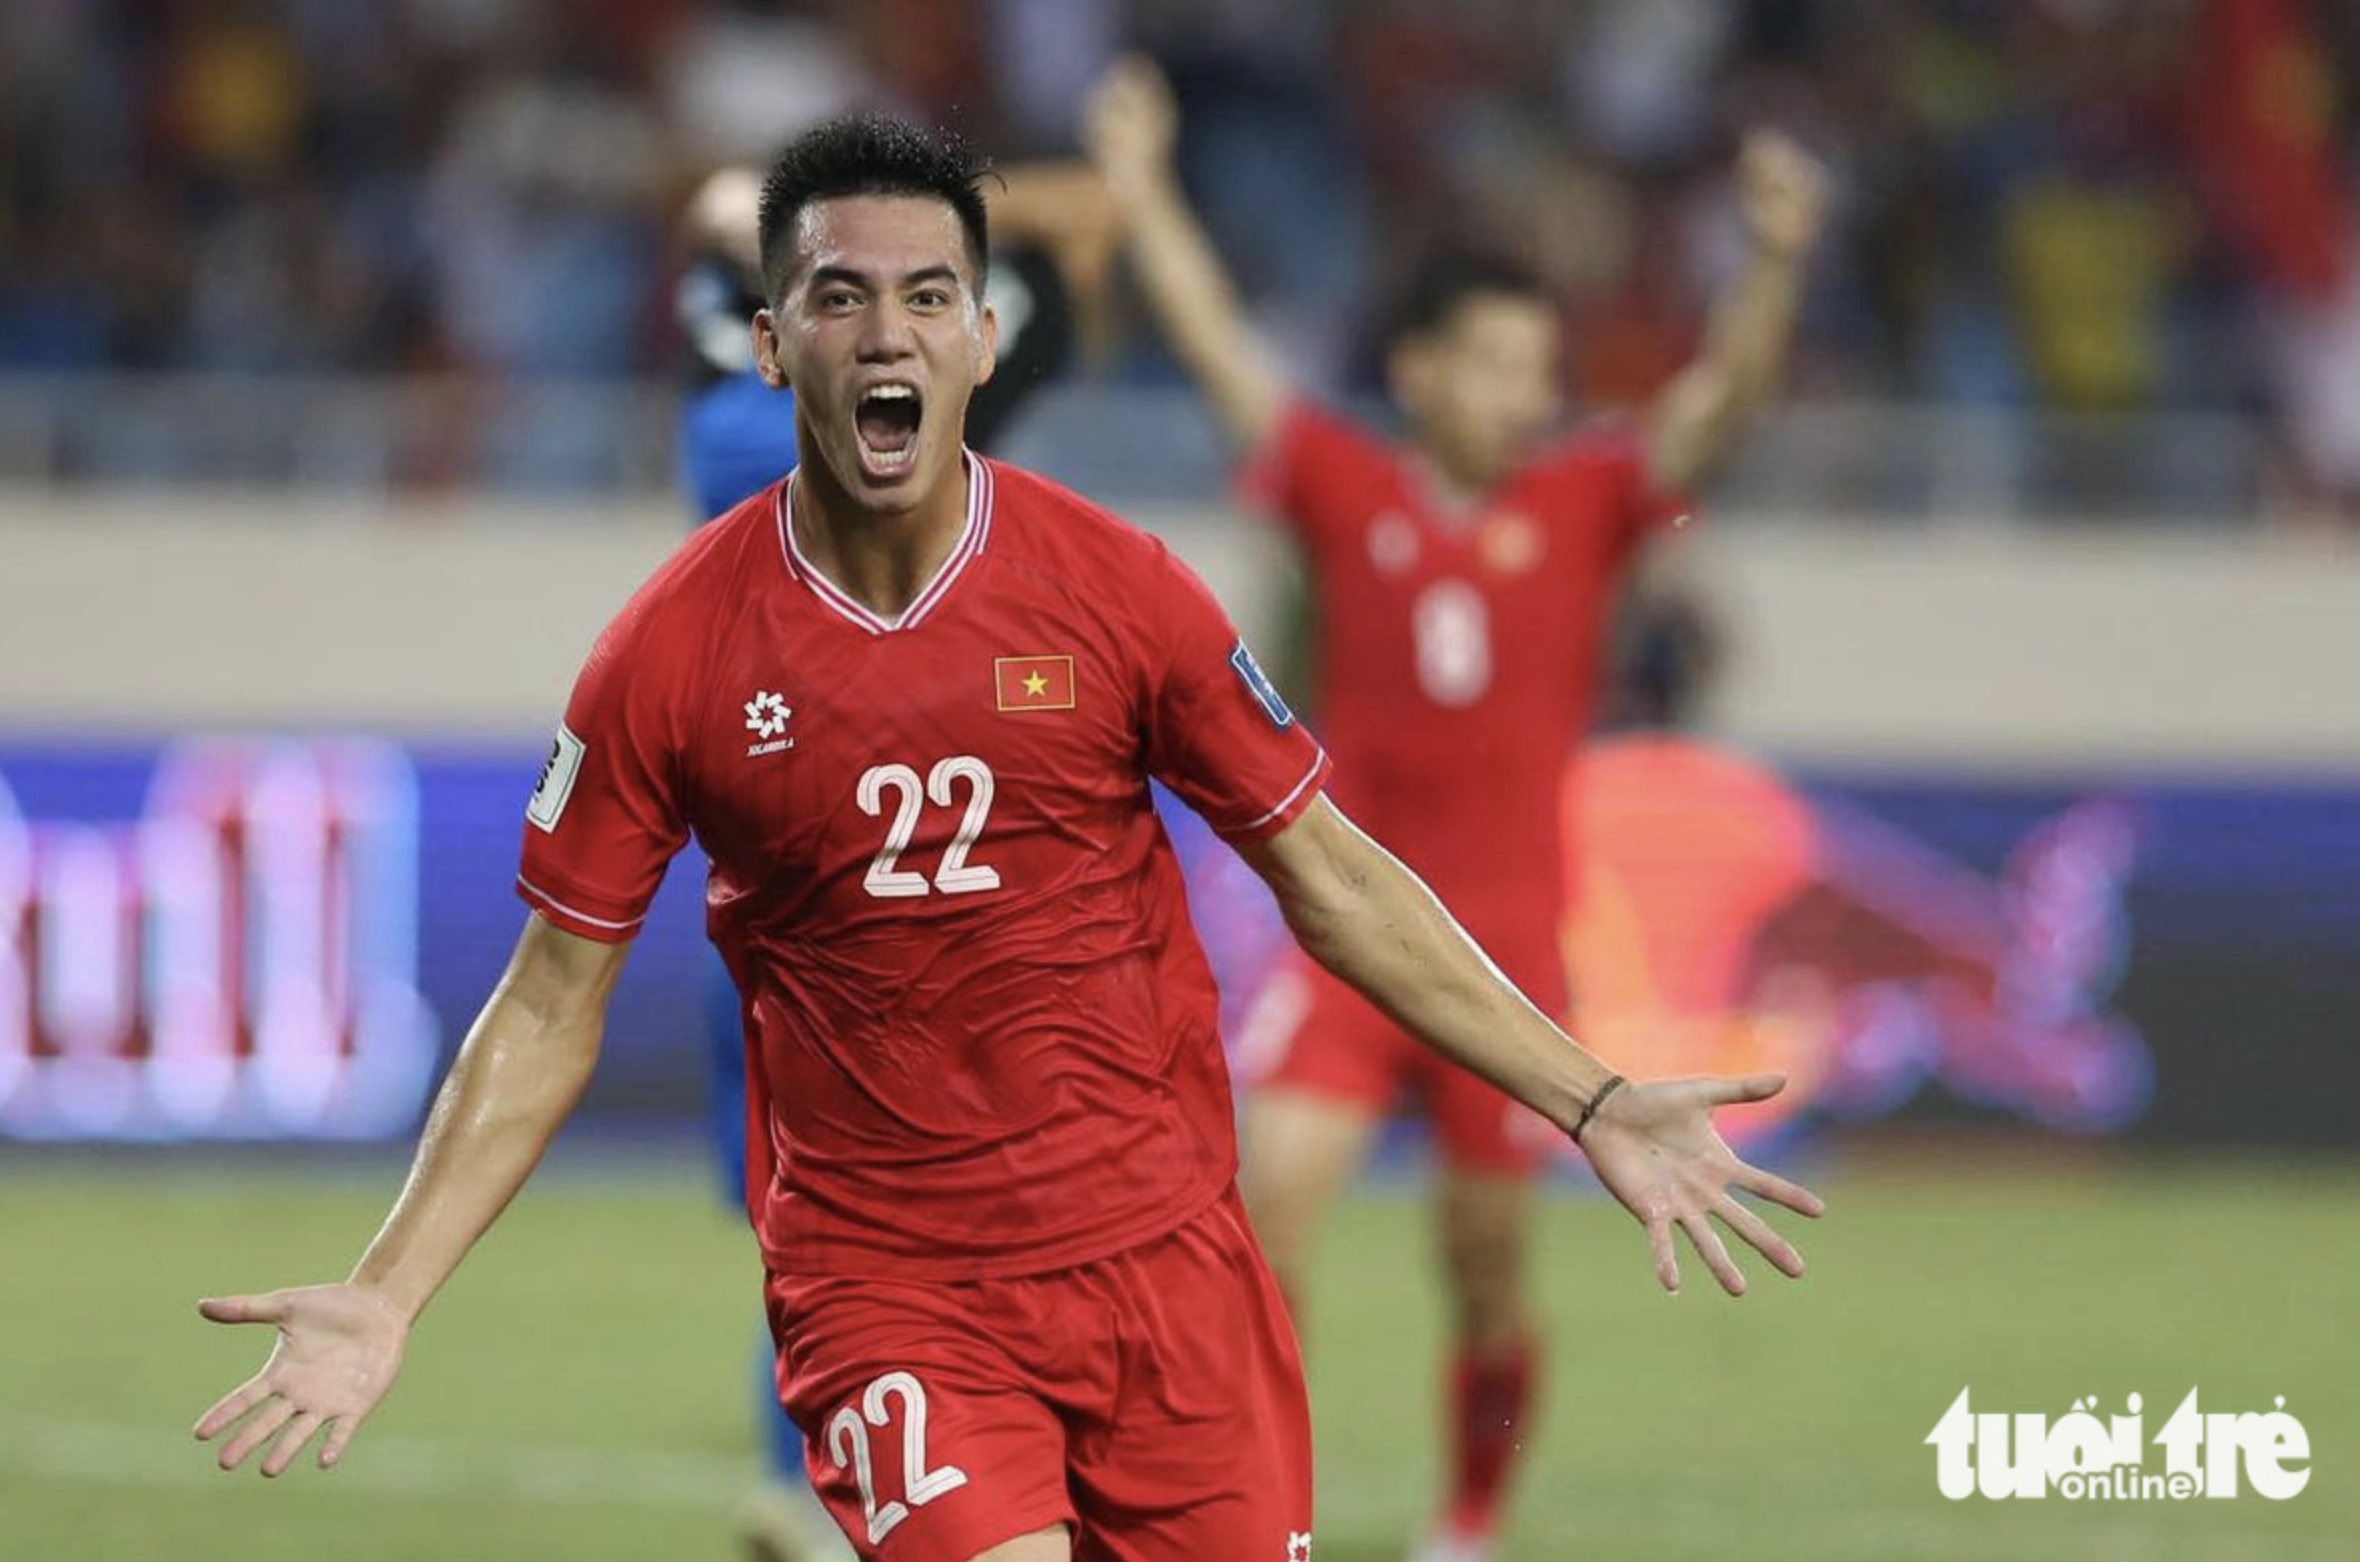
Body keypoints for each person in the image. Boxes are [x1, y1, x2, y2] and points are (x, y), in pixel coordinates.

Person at [192, 114, 1822, 1562]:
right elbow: (549, 998)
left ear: (983, 337)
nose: (882, 332)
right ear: (770, 345)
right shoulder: (670, 654)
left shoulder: (1118, 592)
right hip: (889, 1287)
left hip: (1168, 1266)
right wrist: (388, 1287)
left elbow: (1324, 872)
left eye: (923, 298)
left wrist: (1592, 1095)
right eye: (838, 296)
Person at [1081, 58, 1830, 1562]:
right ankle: (1251, 1507)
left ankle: (1468, 1523)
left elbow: (1720, 404)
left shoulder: (1586, 500)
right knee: (1254, 1222)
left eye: (1538, 365)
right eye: (1495, 361)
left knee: (1485, 1269)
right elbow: (1222, 348)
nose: (1527, 391)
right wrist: (1145, 185)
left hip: (1510, 958)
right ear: (1419, 370)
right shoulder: (1342, 480)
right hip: (1350, 948)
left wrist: (1775, 259)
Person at [673, 155, 1115, 1562]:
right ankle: (859, 1471)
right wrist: (977, 202)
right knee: (892, 1199)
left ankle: (804, 1472)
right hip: (904, 902)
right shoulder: (901, 437)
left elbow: (715, 205)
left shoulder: (720, 418)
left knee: (807, 1198)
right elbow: (1084, 247)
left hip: (772, 873)